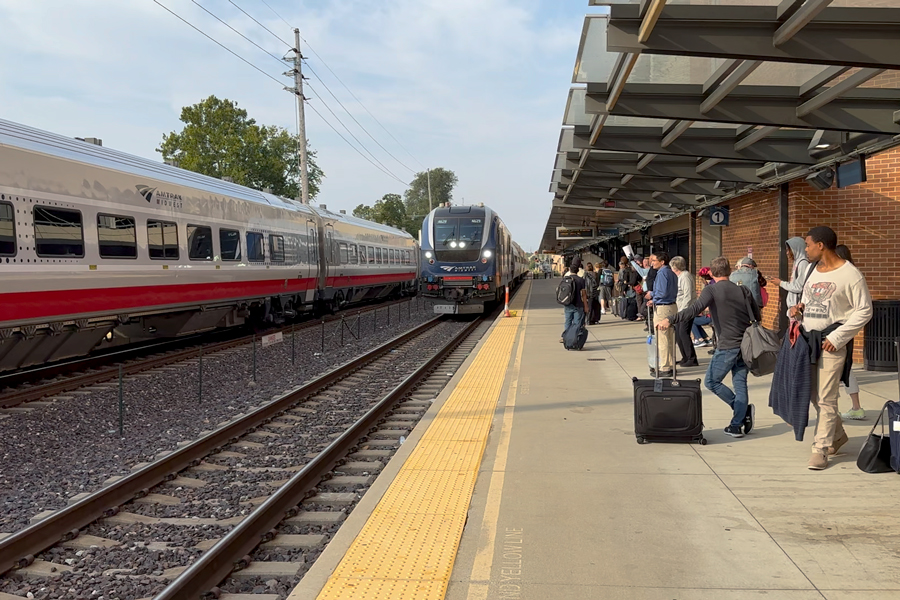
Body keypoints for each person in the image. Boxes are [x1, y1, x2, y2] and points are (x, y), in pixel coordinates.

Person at [790, 228, 872, 470]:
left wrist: (839, 336)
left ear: (821, 245)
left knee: (826, 398)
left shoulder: (851, 275)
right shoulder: (812, 270)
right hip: (808, 341)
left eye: (808, 245)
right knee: (814, 396)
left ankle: (820, 448)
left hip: (831, 343)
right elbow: (808, 301)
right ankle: (837, 436)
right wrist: (798, 309)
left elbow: (865, 310)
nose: (805, 249)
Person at [657, 256, 759, 438]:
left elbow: (692, 310)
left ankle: (740, 413)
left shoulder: (711, 290)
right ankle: (737, 425)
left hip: (727, 345)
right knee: (740, 383)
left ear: (711, 273)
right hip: (746, 344)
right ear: (730, 271)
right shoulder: (743, 290)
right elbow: (757, 315)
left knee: (711, 381)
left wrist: (670, 319)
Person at [835, 244, 866, 420]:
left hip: (838, 327)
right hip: (847, 328)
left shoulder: (844, 276)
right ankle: (856, 406)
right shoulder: (854, 274)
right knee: (845, 368)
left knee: (834, 369)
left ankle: (836, 409)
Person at [648, 252, 678, 376]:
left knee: (662, 338)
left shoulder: (662, 273)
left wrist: (652, 297)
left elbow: (662, 292)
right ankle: (670, 364)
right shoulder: (672, 273)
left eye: (654, 260)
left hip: (663, 308)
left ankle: (664, 367)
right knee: (670, 338)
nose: (652, 263)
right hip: (672, 306)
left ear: (662, 262)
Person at [769, 237, 811, 318]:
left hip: (797, 309)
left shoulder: (803, 263)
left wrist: (780, 283)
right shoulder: (797, 262)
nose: (787, 253)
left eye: (789, 250)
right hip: (793, 308)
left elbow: (799, 287)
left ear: (796, 249)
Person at [670, 256, 698, 367]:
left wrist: (683, 311)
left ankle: (692, 358)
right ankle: (685, 357)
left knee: (683, 333)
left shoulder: (685, 276)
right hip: (680, 309)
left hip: (686, 310)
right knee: (678, 334)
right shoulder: (679, 276)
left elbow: (688, 295)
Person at [559, 255, 589, 343]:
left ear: (569, 270)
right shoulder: (581, 280)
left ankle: (566, 337)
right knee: (577, 323)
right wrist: (586, 306)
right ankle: (574, 338)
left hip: (568, 303)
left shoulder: (565, 278)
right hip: (578, 304)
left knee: (567, 321)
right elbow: (583, 294)